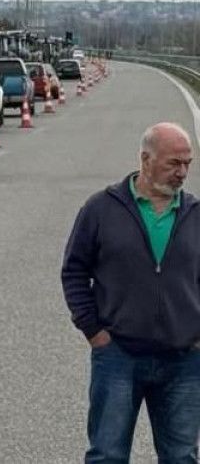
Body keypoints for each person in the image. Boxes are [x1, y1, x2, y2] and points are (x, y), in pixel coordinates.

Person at [61, 122, 200, 463]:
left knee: (181, 456)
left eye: (187, 163)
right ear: (146, 159)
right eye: (173, 163)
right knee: (107, 455)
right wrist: (94, 331)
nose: (182, 173)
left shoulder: (196, 214)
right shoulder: (101, 209)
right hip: (118, 355)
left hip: (184, 360)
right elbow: (74, 271)